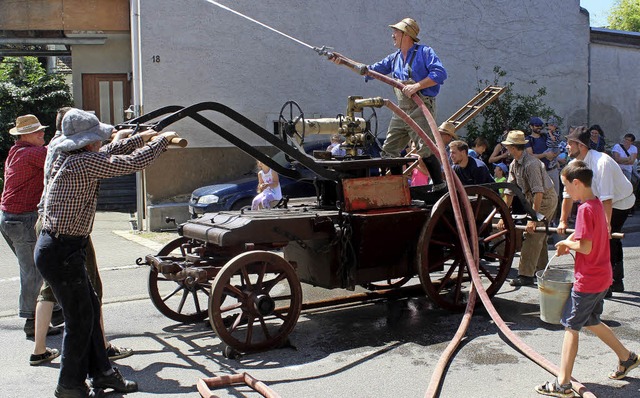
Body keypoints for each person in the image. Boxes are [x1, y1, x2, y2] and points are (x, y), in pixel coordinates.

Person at [35, 108, 176, 397]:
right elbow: (133, 162)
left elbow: (110, 149)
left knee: (90, 307)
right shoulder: (84, 164)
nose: (100, 141)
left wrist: (140, 137)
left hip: (60, 247)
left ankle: (103, 374)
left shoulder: (63, 154)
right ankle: (70, 385)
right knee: (79, 320)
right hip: (61, 250)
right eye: (96, 138)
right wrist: (161, 141)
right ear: (87, 143)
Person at [30, 107, 132, 367]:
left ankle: (39, 349)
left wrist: (120, 137)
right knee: (90, 291)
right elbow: (111, 160)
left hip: (47, 223)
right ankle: (101, 350)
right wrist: (124, 141)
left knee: (49, 290)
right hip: (67, 230)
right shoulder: (77, 156)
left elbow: (101, 147)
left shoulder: (57, 147)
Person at [535, 161, 639, 398]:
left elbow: (585, 245)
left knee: (571, 326)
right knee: (591, 320)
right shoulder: (596, 205)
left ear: (577, 183)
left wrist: (565, 243)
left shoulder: (583, 209)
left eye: (567, 187)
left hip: (588, 279)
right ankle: (627, 358)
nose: (567, 193)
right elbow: (587, 237)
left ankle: (562, 383)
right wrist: (571, 240)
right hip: (602, 276)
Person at [0, 114, 62, 339]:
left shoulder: (15, 151)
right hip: (22, 218)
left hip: (12, 217)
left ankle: (53, 310)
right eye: (36, 131)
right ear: (24, 135)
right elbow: (59, 156)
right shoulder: (34, 153)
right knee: (34, 271)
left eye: (41, 130)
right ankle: (31, 321)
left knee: (41, 266)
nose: (41, 133)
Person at [366, 17, 447, 185]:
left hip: (421, 107)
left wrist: (417, 85)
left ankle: (439, 185)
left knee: (425, 148)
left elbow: (440, 74)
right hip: (402, 110)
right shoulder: (393, 58)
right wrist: (344, 62)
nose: (392, 36)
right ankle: (397, 186)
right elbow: (370, 71)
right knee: (389, 150)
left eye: (395, 32)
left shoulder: (425, 52)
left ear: (406, 35)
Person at [557, 127, 634, 296]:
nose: (567, 147)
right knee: (596, 238)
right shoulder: (573, 165)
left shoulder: (602, 162)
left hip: (620, 201)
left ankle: (613, 281)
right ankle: (602, 280)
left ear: (581, 145)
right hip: (598, 202)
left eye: (570, 143)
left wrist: (606, 226)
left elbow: (607, 198)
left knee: (609, 239)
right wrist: (563, 220)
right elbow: (567, 195)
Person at [497, 130, 557, 286]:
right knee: (540, 235)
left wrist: (533, 218)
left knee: (532, 233)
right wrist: (503, 214)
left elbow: (539, 192)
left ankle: (525, 275)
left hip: (545, 199)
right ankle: (543, 270)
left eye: (507, 147)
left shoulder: (531, 164)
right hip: (534, 199)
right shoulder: (514, 164)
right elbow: (509, 191)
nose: (505, 150)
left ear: (513, 148)